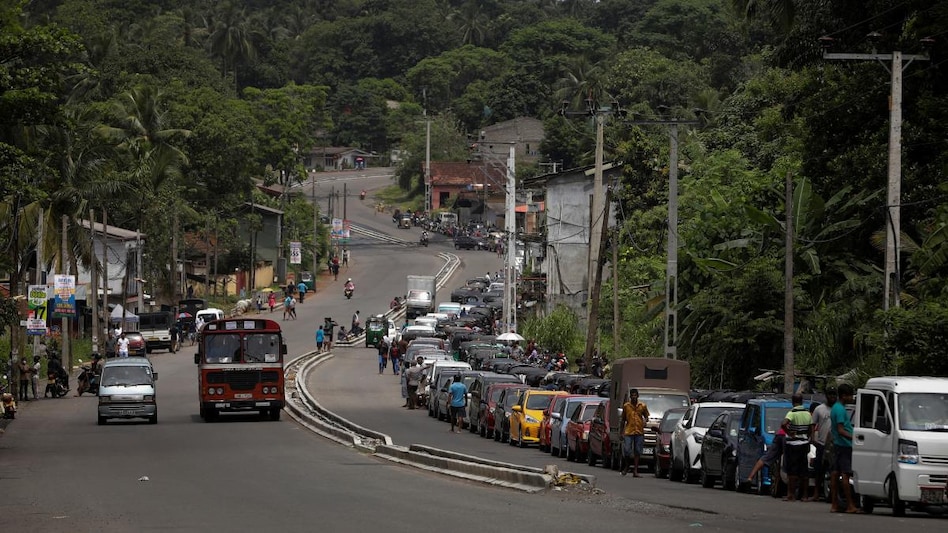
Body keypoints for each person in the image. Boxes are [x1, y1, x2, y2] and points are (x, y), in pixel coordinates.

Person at [829, 383, 861, 513]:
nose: (852, 397)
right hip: (844, 445)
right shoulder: (840, 410)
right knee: (845, 475)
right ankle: (850, 505)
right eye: (850, 395)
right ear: (844, 396)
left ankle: (835, 504)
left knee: (835, 474)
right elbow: (841, 430)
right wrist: (854, 438)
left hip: (838, 444)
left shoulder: (836, 408)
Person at [781, 393, 813, 501]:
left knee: (792, 471)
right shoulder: (808, 414)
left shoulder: (792, 413)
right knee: (804, 470)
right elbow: (810, 428)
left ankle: (791, 494)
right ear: (802, 401)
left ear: (792, 402)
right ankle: (805, 495)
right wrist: (807, 437)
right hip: (804, 444)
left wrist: (789, 433)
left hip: (793, 444)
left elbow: (783, 424)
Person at [810, 388, 837, 501]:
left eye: (834, 394)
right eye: (830, 394)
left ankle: (833, 495)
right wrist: (812, 438)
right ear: (826, 395)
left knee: (834, 470)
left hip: (835, 444)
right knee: (819, 470)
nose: (832, 397)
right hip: (821, 443)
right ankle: (816, 493)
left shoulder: (838, 409)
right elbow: (813, 424)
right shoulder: (819, 409)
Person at [621, 389, 650, 477]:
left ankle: (635, 470)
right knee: (627, 450)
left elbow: (646, 417)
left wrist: (645, 421)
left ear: (638, 396)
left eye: (635, 395)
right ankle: (627, 466)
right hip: (629, 431)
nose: (634, 397)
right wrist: (621, 432)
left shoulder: (642, 406)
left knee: (637, 451)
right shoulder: (626, 406)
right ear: (630, 396)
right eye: (632, 395)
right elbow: (623, 420)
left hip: (639, 431)